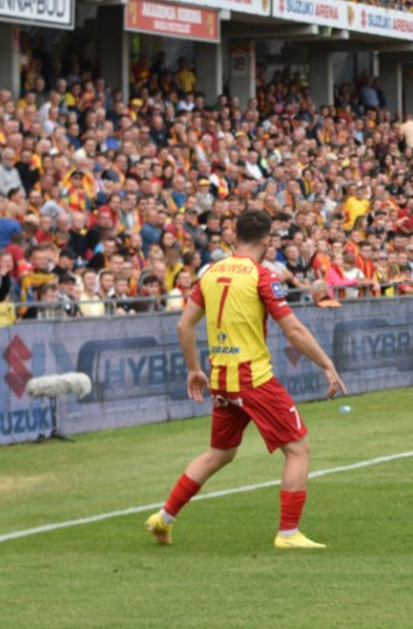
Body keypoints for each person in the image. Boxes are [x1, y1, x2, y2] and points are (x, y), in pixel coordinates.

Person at [146, 210, 346, 550]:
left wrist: (194, 369)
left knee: (220, 452)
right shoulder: (262, 276)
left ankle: (163, 517)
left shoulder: (211, 273)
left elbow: (184, 325)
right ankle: (288, 534)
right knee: (298, 449)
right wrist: (327, 364)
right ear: (267, 240)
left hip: (221, 379)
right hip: (253, 378)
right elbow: (293, 330)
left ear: (235, 235)